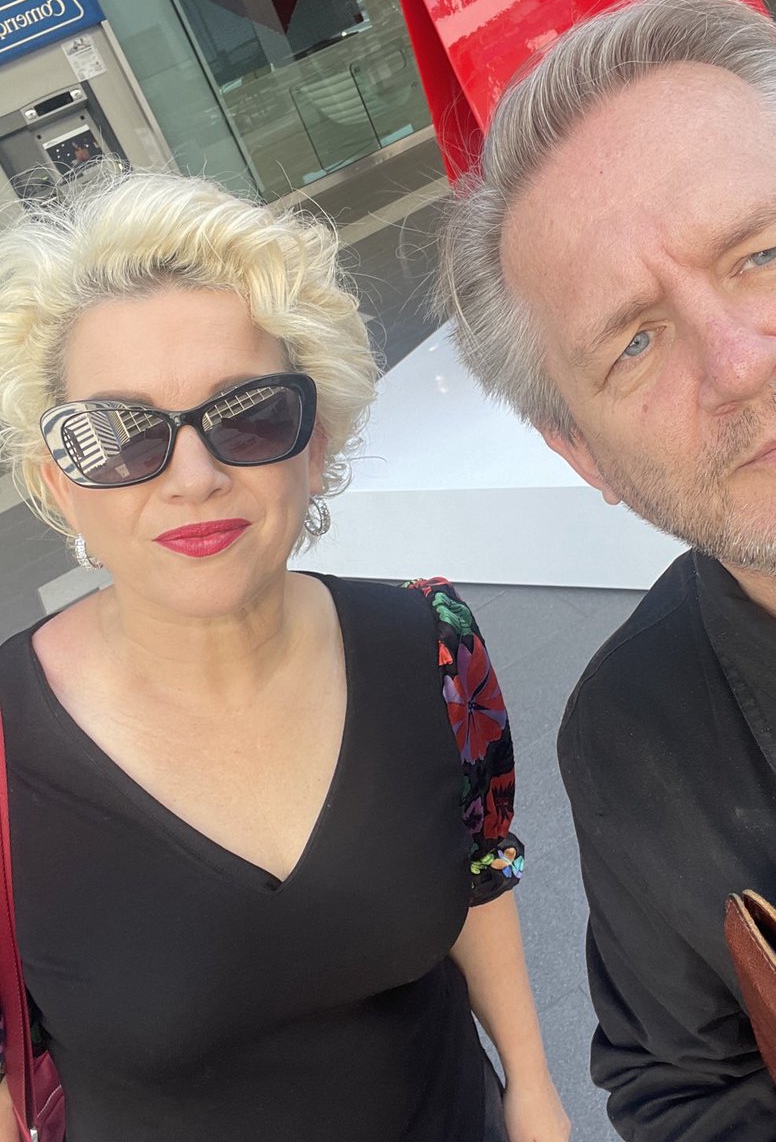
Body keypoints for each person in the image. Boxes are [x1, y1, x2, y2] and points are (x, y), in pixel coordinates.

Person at [0, 169, 569, 1142]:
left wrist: (531, 1088)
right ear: (59, 482)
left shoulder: (432, 643)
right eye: (117, 436)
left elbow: (479, 870)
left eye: (248, 415)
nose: (193, 477)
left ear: (315, 444)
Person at [438, 0, 776, 1142]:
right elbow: (681, 1089)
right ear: (583, 454)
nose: (736, 363)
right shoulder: (634, 735)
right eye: (633, 341)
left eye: (763, 252)